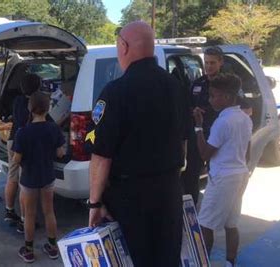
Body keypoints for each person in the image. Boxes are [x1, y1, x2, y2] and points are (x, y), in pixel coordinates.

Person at [87, 21, 190, 267]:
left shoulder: (116, 92)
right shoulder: (176, 86)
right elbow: (184, 141)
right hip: (169, 190)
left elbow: (101, 157)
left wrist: (94, 203)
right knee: (168, 259)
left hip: (131, 198)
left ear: (123, 46)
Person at [193, 73, 252, 267]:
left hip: (223, 178)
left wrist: (198, 127)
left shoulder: (222, 122)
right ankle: (230, 262)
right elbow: (248, 151)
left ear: (226, 97)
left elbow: (205, 154)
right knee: (231, 223)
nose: (210, 99)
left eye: (213, 95)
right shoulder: (244, 118)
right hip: (240, 174)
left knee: (205, 224)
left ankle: (204, 263)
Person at [182, 46, 252, 205]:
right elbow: (187, 107)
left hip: (221, 137)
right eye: (206, 63)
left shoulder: (229, 84)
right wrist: (194, 111)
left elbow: (247, 109)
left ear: (221, 62)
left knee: (217, 174)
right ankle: (192, 209)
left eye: (212, 63)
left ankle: (217, 204)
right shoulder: (198, 83)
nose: (208, 66)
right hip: (200, 135)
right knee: (191, 175)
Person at [12, 91, 65, 263]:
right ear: (48, 107)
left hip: (29, 178)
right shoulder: (53, 128)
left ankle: (28, 250)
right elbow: (60, 152)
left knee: (29, 214)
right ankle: (52, 246)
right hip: (47, 176)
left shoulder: (23, 132)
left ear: (30, 108)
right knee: (49, 211)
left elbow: (16, 159)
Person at [4, 73, 42, 232]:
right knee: (24, 182)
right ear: (38, 87)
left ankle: (9, 211)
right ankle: (24, 220)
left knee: (12, 177)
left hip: (12, 141)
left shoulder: (17, 101)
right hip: (26, 144)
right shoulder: (35, 103)